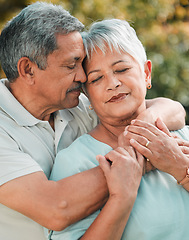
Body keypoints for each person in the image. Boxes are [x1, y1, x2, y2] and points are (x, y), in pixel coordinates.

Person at [0, 2, 186, 240]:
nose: (82, 76)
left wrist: (147, 129)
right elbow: (57, 208)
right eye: (70, 65)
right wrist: (142, 154)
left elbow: (170, 108)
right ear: (27, 69)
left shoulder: (75, 104)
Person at [49, 19, 189, 240]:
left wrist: (181, 168)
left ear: (146, 73)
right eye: (96, 78)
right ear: (87, 94)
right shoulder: (76, 161)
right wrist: (121, 195)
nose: (112, 83)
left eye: (121, 69)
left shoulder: (184, 135)